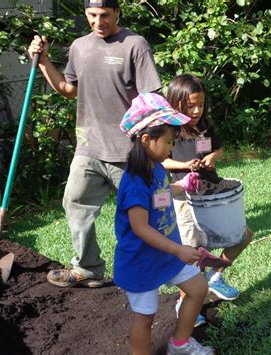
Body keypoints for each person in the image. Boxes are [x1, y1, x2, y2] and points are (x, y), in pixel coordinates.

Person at [27, 0, 162, 287]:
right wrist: (43, 61)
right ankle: (88, 268)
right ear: (86, 14)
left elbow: (152, 99)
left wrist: (149, 144)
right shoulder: (79, 47)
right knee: (74, 202)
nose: (98, 22)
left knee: (145, 213)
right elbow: (67, 89)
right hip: (88, 147)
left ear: (117, 13)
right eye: (92, 15)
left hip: (127, 151)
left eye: (104, 15)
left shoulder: (134, 45)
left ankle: (163, 266)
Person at [116, 92, 214, 355]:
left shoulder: (156, 167)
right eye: (170, 142)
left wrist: (181, 186)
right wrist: (178, 250)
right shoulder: (134, 182)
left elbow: (160, 194)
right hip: (143, 260)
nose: (172, 148)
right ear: (147, 140)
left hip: (166, 252)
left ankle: (179, 343)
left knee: (197, 287)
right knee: (145, 318)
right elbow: (140, 227)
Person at [163, 74, 253, 326]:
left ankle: (216, 276)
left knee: (243, 235)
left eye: (200, 105)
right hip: (185, 195)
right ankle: (185, 302)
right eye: (189, 105)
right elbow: (162, 160)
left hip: (213, 191)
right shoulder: (169, 130)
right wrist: (184, 165)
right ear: (175, 102)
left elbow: (219, 148)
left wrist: (213, 157)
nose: (196, 110)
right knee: (192, 251)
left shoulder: (205, 126)